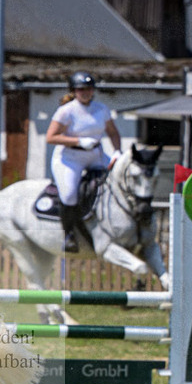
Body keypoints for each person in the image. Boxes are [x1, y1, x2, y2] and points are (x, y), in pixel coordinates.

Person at [46, 70, 121, 252]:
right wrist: (78, 141)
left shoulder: (101, 109)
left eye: (88, 89)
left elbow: (112, 132)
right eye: (81, 89)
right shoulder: (66, 111)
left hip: (95, 154)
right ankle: (69, 234)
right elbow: (51, 137)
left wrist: (118, 151)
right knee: (70, 194)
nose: (86, 92)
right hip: (70, 157)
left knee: (118, 180)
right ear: (74, 91)